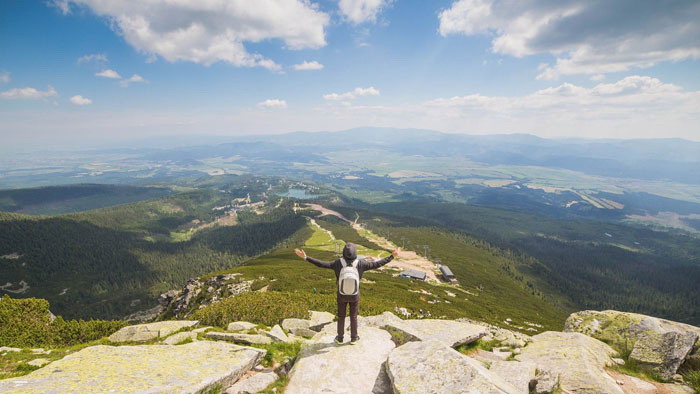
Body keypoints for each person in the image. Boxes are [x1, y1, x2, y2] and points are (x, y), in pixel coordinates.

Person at [294, 243, 399, 345]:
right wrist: (391, 256)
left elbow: (321, 264)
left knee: (341, 316)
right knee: (353, 316)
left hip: (341, 295)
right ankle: (354, 338)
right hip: (354, 295)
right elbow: (378, 264)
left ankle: (340, 338)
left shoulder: (337, 263)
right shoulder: (362, 263)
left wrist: (306, 257)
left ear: (343, 253)